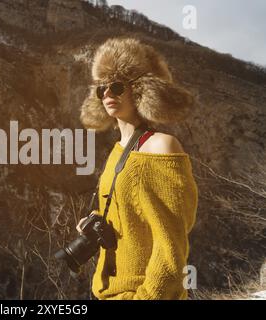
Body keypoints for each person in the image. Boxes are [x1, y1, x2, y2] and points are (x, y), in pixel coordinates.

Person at [78, 37, 199, 300]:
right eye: (101, 89)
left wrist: (147, 296)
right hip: (109, 293)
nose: (107, 94)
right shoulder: (118, 150)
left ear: (141, 90)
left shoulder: (162, 147)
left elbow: (171, 244)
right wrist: (96, 221)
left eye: (117, 86)